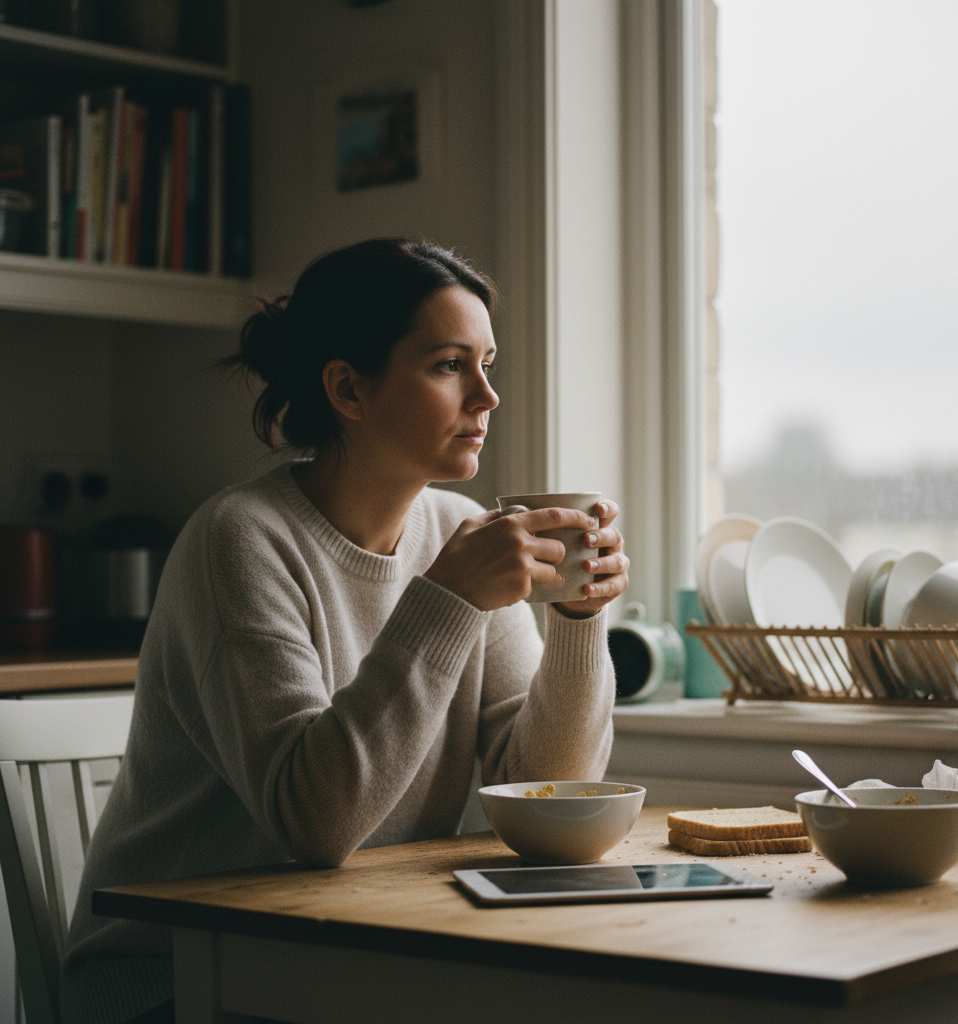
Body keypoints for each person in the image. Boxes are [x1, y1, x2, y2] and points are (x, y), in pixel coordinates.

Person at [60, 238, 629, 1024]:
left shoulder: (458, 532)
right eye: (448, 365)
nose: (488, 396)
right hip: (173, 979)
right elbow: (314, 823)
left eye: (488, 363)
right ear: (348, 390)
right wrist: (448, 602)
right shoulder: (240, 539)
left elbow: (551, 788)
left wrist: (577, 617)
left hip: (341, 961)